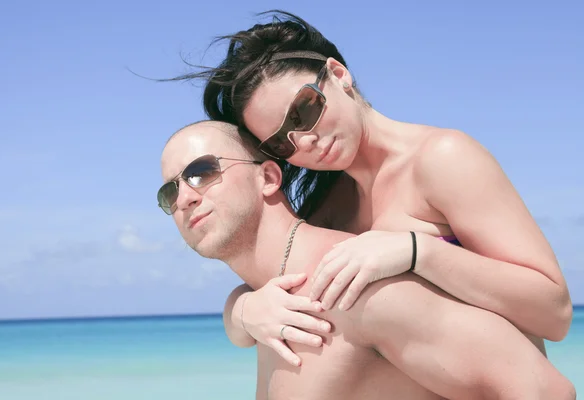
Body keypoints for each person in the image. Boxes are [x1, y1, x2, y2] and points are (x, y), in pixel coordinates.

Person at [168, 10, 573, 366]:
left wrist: (416, 251)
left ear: (339, 76)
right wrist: (243, 311)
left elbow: (554, 314)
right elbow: (268, 286)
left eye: (304, 110)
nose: (302, 141)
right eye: (280, 141)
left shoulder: (441, 159)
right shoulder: (329, 205)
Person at [157, 120, 575, 399]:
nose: (186, 197)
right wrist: (242, 310)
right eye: (169, 192)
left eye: (202, 171)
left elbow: (545, 391)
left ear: (268, 177)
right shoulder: (267, 305)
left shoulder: (357, 284)